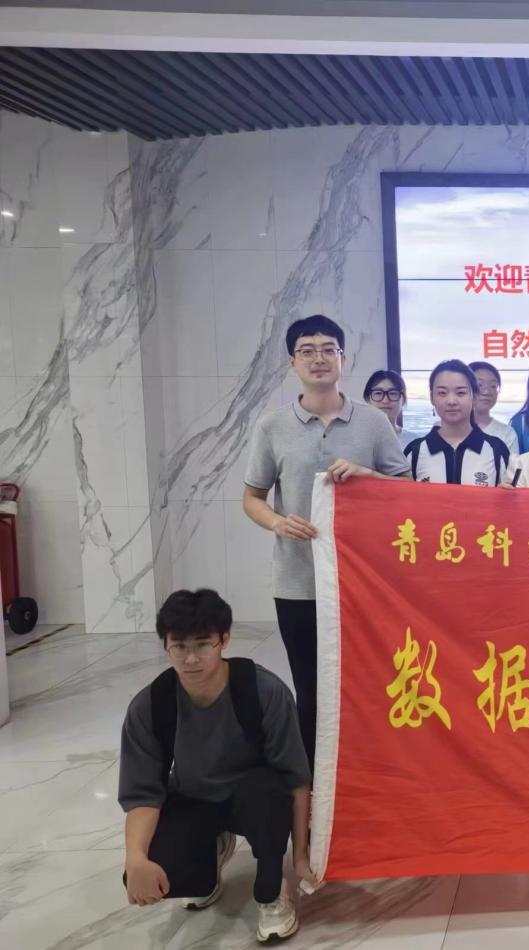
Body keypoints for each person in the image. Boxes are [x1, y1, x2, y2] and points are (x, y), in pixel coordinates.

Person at [243, 315, 410, 769]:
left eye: (328, 349)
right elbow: (252, 498)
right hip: (298, 582)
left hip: (364, 584)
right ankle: (317, 784)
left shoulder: (373, 423)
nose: (318, 358)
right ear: (292, 362)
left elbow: (405, 490)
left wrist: (368, 475)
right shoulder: (273, 427)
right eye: (307, 350)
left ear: (343, 358)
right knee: (312, 687)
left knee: (369, 684)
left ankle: (369, 774)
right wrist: (278, 523)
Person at [119, 589, 313, 943]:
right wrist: (136, 860)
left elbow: (296, 779)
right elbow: (143, 793)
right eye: (179, 646)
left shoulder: (264, 690)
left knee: (270, 798)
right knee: (163, 867)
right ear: (165, 646)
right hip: (194, 796)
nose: (191, 659)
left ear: (224, 640)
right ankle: (210, 857)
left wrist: (299, 858)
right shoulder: (151, 705)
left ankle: (273, 894)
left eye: (203, 645)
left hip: (254, 797)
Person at [406, 359, 512, 486]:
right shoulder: (415, 451)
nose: (451, 401)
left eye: (461, 393)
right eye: (442, 393)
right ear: (432, 398)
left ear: (474, 396)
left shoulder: (496, 450)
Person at [363, 369, 423, 450]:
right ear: (368, 399)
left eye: (393, 393)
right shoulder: (354, 440)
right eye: (378, 393)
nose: (385, 400)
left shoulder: (416, 443)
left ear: (403, 400)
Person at [469, 360, 521, 455]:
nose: (487, 392)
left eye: (493, 386)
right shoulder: (449, 429)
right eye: (479, 385)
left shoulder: (506, 433)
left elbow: (512, 464)